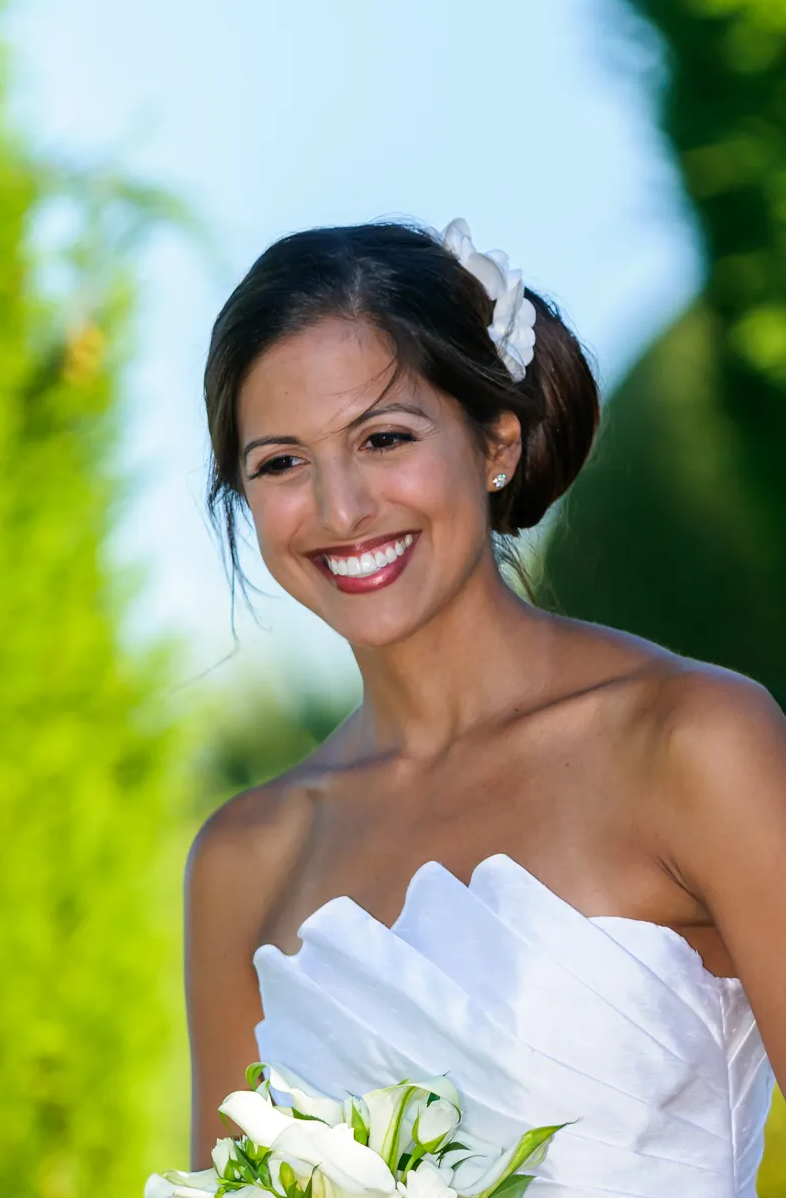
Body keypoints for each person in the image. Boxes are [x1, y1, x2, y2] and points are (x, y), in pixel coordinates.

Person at [186, 219, 784, 1195]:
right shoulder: (244, 857)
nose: (339, 510)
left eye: (384, 438)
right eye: (281, 463)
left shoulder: (692, 743)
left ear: (496, 442)